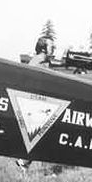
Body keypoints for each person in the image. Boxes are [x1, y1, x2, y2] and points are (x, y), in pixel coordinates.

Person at [17, 36, 55, 170]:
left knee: (41, 138)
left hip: (43, 105)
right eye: (51, 46)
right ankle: (48, 171)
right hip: (36, 106)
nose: (53, 48)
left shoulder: (45, 62)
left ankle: (24, 161)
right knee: (46, 138)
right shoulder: (36, 63)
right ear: (43, 48)